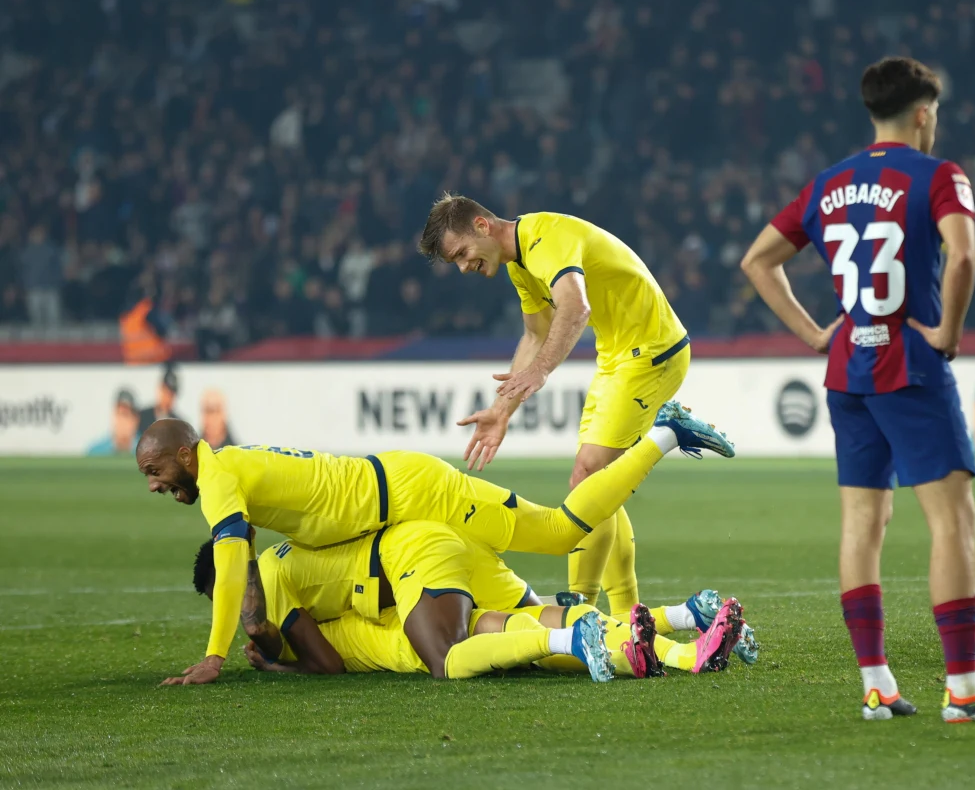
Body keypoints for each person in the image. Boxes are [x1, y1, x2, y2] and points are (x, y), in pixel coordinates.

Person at [740, 56, 975, 722]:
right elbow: (962, 255)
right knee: (952, 518)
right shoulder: (937, 176)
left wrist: (815, 333)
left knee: (861, 523)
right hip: (908, 361)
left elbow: (756, 260)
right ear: (924, 113)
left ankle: (877, 684)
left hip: (848, 366)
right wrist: (949, 330)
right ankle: (964, 690)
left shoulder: (828, 183)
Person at [135, 402, 734, 685]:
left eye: (156, 472)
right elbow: (243, 554)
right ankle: (679, 622)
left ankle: (662, 435)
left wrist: (216, 655)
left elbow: (232, 559)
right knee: (537, 577)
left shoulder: (216, 479)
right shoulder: (228, 471)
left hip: (415, 495)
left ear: (185, 455)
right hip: (400, 511)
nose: (156, 486)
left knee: (559, 531)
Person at [418, 194, 707, 624]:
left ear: (482, 226)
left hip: (652, 351)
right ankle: (626, 612)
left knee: (587, 477)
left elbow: (576, 307)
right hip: (618, 356)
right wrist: (501, 411)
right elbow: (535, 334)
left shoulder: (545, 238)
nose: (464, 267)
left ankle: (581, 607)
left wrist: (540, 372)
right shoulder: (519, 265)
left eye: (461, 254)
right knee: (595, 485)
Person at [190, 524, 751, 679]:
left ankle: (578, 642)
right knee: (527, 615)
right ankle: (682, 624)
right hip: (440, 543)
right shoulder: (292, 561)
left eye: (228, 596)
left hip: (413, 569)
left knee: (448, 659)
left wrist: (277, 662)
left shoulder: (274, 580)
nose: (233, 610)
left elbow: (325, 663)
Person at [86, 388, 140, 456]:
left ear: (135, 419)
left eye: (125, 414)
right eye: (118, 414)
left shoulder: (147, 453)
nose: (121, 421)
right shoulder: (96, 452)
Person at [138, 365, 183, 437]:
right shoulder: (142, 417)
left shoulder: (179, 424)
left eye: (171, 395)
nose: (167, 398)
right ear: (159, 389)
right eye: (165, 392)